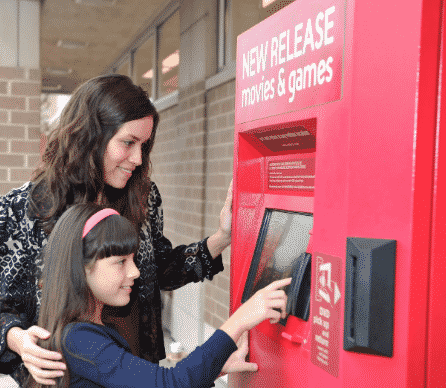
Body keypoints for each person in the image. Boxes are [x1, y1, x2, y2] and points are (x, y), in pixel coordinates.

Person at [0, 74, 239, 386]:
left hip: (137, 369)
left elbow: (158, 271)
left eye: (144, 145)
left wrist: (223, 237)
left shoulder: (143, 196)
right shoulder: (20, 210)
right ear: (90, 136)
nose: (138, 159)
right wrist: (16, 339)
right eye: (128, 143)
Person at [24, 204, 290, 388]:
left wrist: (217, 366)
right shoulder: (79, 339)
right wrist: (240, 320)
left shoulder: (88, 331)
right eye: (120, 262)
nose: (135, 272)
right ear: (80, 267)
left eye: (133, 259)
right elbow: (169, 384)